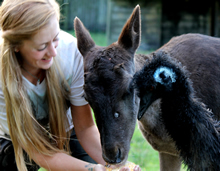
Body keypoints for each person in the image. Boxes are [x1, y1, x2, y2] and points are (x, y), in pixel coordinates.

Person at [0, 0, 141, 171]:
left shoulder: (70, 53)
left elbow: (85, 126)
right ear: (16, 47)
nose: (53, 52)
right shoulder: (3, 78)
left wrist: (116, 167)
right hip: (15, 139)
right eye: (42, 46)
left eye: (55, 38)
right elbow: (38, 149)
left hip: (65, 127)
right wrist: (92, 169)